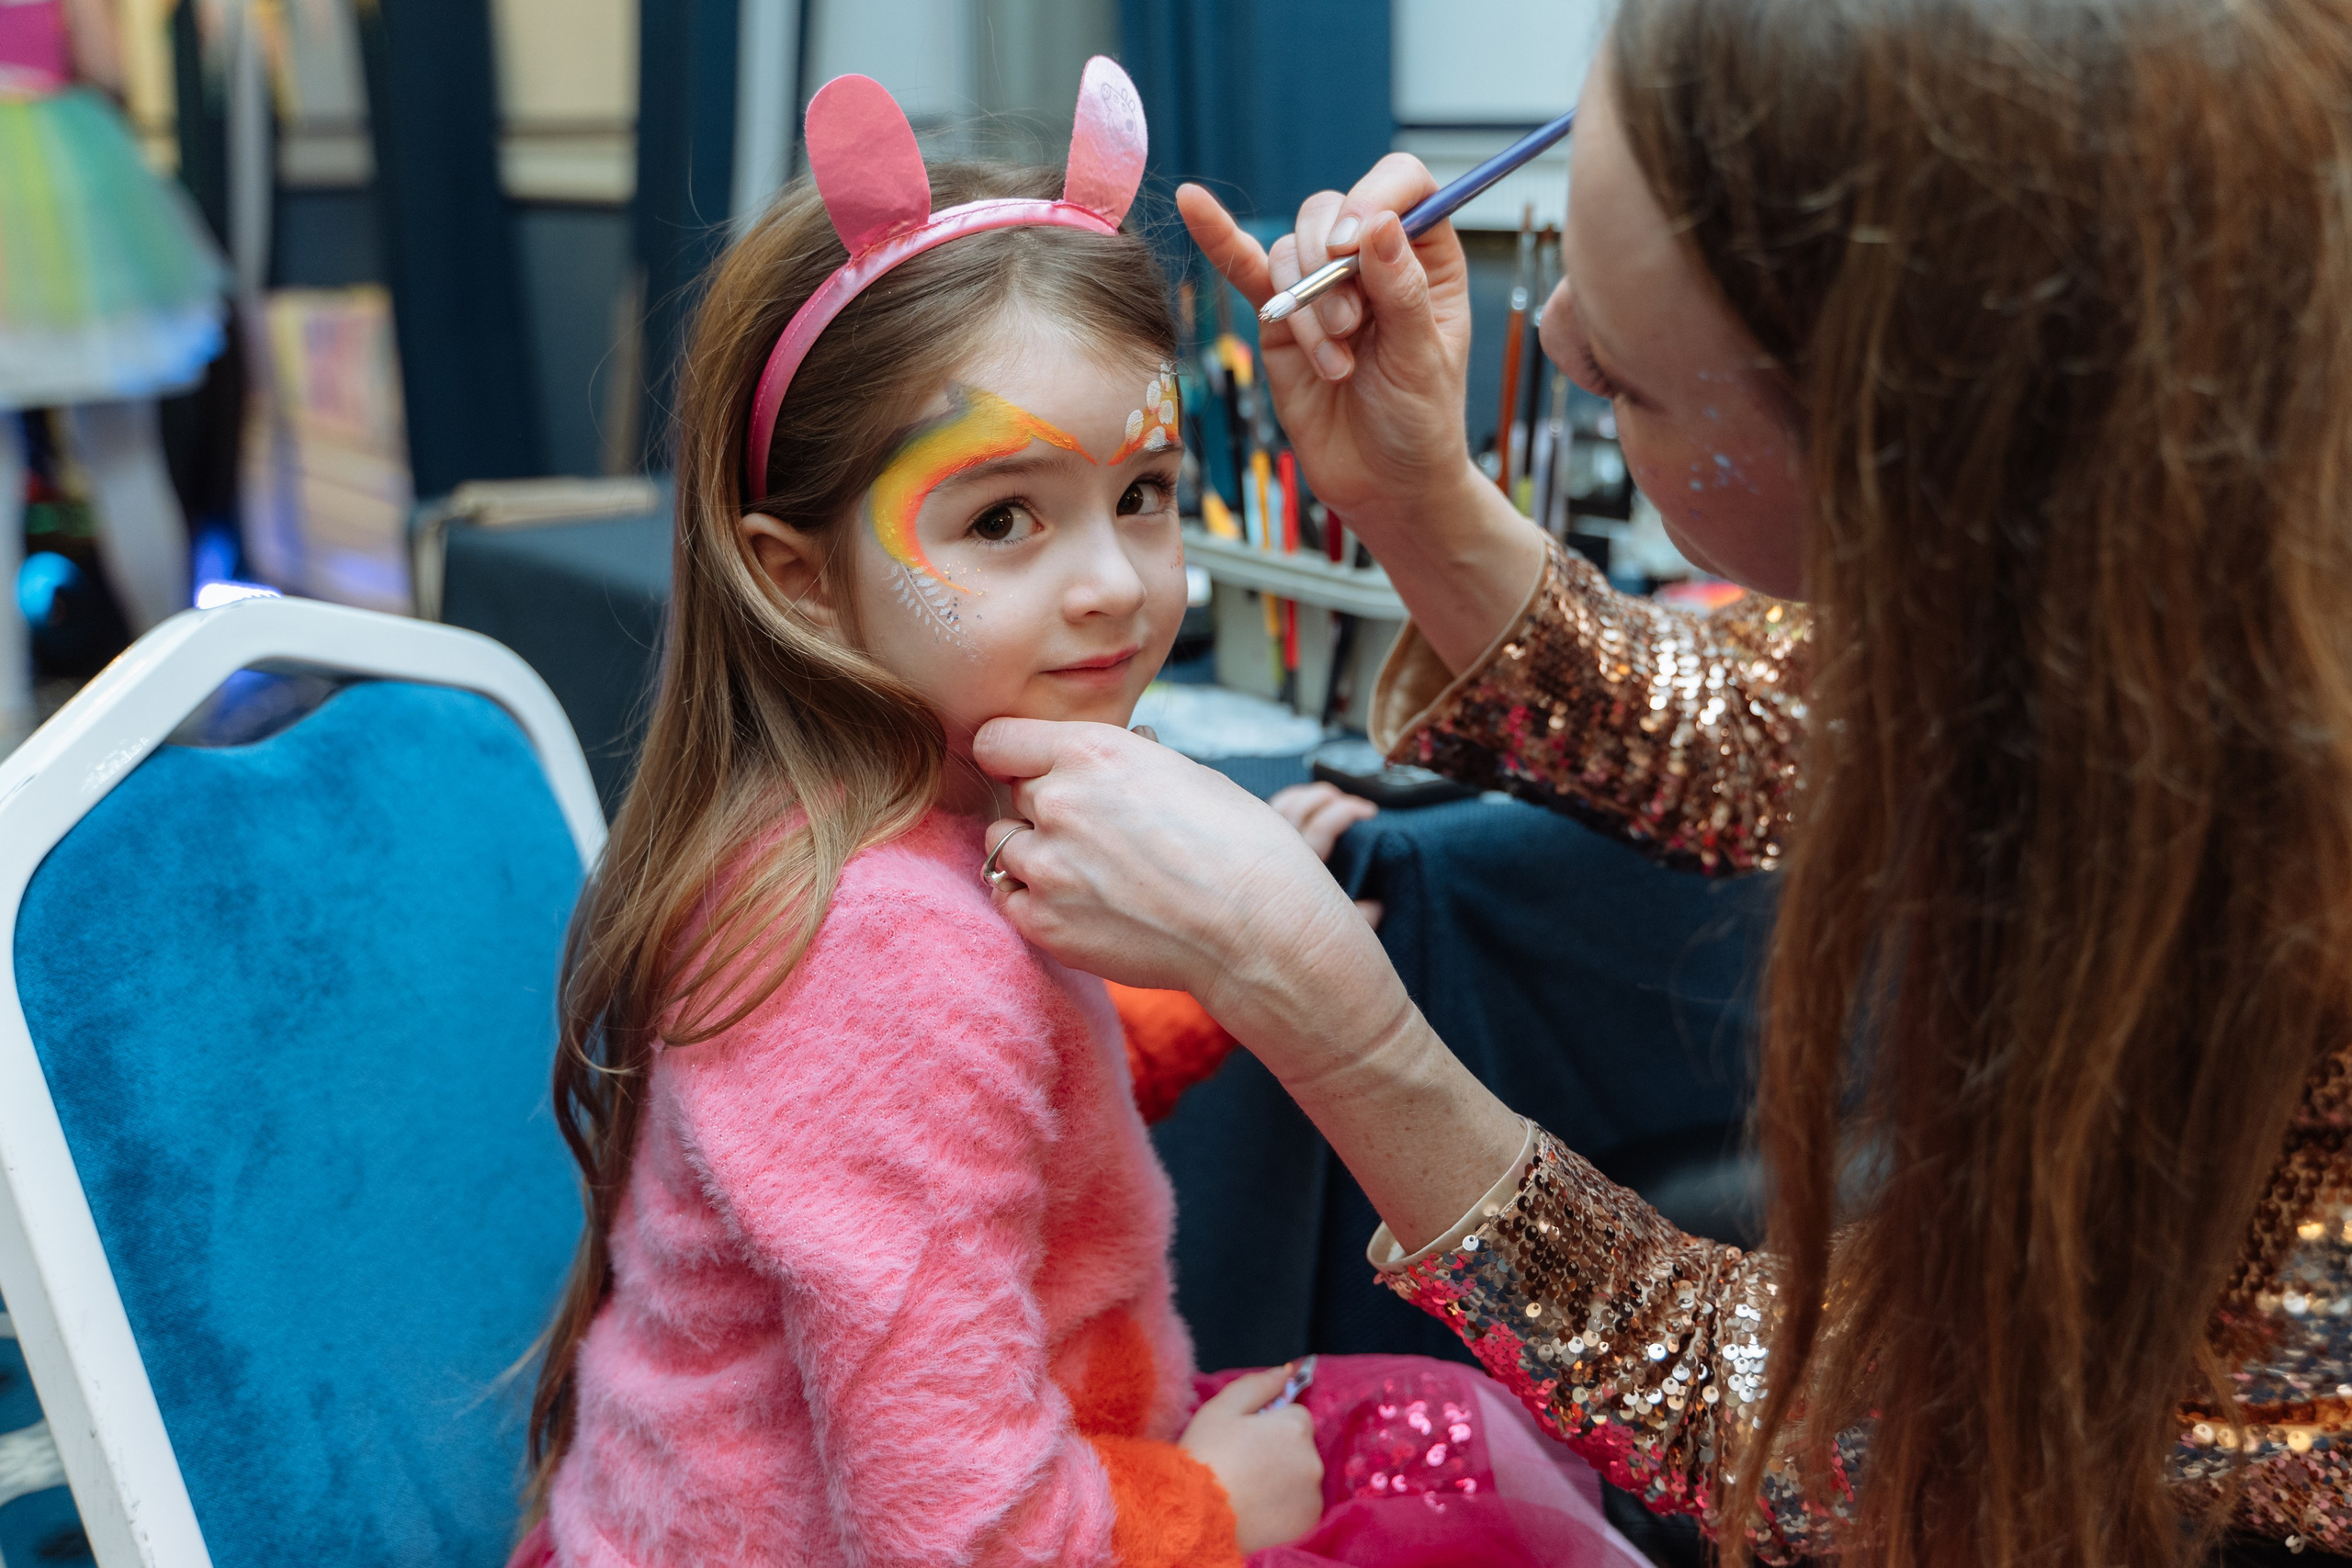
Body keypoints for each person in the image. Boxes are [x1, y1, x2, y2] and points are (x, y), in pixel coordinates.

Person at [968, 3, 2352, 1564]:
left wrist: (1319, 999)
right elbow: (1780, 729)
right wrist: (1417, 489)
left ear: (1916, 444)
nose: (1543, 338)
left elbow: (1882, 1455)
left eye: (1625, 384)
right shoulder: (2163, 552)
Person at [513, 62, 1647, 1568]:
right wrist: (1214, 1510)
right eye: (1002, 518)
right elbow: (963, 1534)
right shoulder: (883, 964)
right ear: (799, 580)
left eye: (1146, 491)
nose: (1115, 581)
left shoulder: (906, 827)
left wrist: (1213, 975)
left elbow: (1017, 1085)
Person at [0, 0, 228, 748]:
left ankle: (6, 710)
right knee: (125, 461)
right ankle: (180, 688)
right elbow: (104, 65)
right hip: (67, 176)